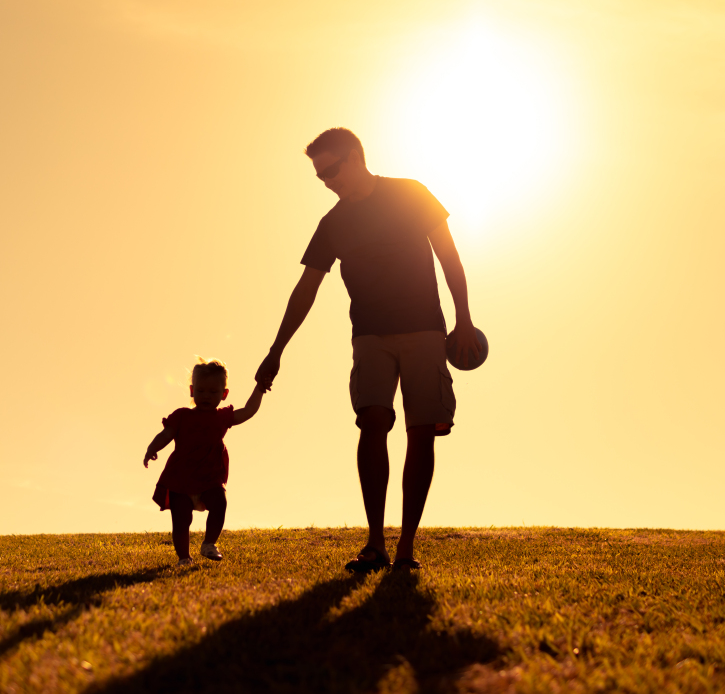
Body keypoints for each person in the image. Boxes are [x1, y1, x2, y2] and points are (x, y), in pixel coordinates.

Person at [255, 128, 480, 573]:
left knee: (421, 431)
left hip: (425, 332)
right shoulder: (332, 224)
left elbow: (450, 257)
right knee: (372, 421)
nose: (326, 180)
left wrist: (464, 319)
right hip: (370, 337)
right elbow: (305, 290)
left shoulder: (411, 193)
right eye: (319, 176)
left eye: (332, 169)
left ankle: (406, 548)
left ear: (356, 157)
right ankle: (375, 543)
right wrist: (276, 349)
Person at [144, 358, 266, 566]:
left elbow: (248, 411)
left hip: (210, 477)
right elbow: (166, 434)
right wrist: (152, 448)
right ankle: (184, 558)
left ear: (224, 394)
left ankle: (209, 543)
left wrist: (260, 388)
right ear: (192, 391)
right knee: (181, 521)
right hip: (180, 479)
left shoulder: (221, 418)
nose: (206, 396)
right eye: (201, 391)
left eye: (212, 392)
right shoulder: (182, 416)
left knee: (220, 502)